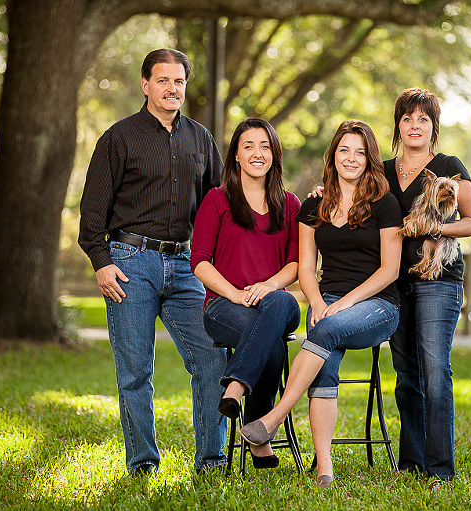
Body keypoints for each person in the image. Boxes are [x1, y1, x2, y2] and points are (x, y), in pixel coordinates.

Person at [78, 49, 228, 475]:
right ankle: (143, 462)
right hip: (129, 262)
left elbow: (221, 202)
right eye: (163, 80)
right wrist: (101, 261)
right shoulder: (118, 137)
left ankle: (211, 460)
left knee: (212, 361)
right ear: (145, 85)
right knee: (135, 371)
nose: (172, 88)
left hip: (185, 264)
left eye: (178, 81)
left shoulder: (200, 138)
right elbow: (92, 212)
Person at [239, 120, 402, 488]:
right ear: (333, 156)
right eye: (345, 150)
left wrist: (342, 304)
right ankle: (325, 469)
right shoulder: (314, 204)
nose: (352, 158)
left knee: (324, 330)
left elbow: (390, 270)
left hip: (377, 305)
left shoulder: (385, 203)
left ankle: (274, 417)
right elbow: (306, 268)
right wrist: (315, 303)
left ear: (370, 159)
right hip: (327, 303)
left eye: (360, 152)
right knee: (323, 347)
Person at [190, 118, 301, 469]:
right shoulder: (217, 199)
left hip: (277, 303)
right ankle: (259, 439)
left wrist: (269, 286)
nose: (257, 153)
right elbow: (200, 262)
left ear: (274, 154)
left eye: (265, 146)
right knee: (268, 337)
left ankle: (235, 385)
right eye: (248, 146)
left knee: (279, 303)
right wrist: (235, 294)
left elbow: (297, 264)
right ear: (236, 155)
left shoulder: (291, 203)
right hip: (224, 307)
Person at [385, 87, 471, 484]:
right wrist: (322, 193)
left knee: (435, 369)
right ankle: (412, 462)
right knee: (406, 372)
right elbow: (351, 200)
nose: (414, 125)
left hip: (439, 280)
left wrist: (436, 228)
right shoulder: (383, 171)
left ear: (433, 127)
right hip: (394, 281)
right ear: (398, 125)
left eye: (423, 119)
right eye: (407, 118)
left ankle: (441, 469)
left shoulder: (449, 166)